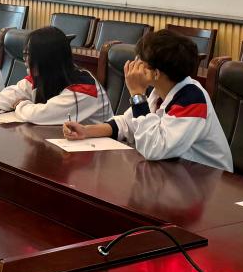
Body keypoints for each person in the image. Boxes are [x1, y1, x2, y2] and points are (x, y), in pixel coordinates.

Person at [63, 29, 233, 171]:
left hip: (209, 181)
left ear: (156, 73)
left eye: (139, 60)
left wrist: (137, 94)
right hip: (176, 172)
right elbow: (128, 124)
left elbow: (154, 149)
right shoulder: (161, 90)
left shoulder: (192, 99)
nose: (133, 64)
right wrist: (87, 131)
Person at [0, 26, 114, 125]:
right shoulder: (45, 75)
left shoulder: (85, 90)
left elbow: (41, 114)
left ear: (47, 60)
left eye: (30, 55)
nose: (25, 60)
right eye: (25, 54)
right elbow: (11, 94)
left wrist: (21, 105)